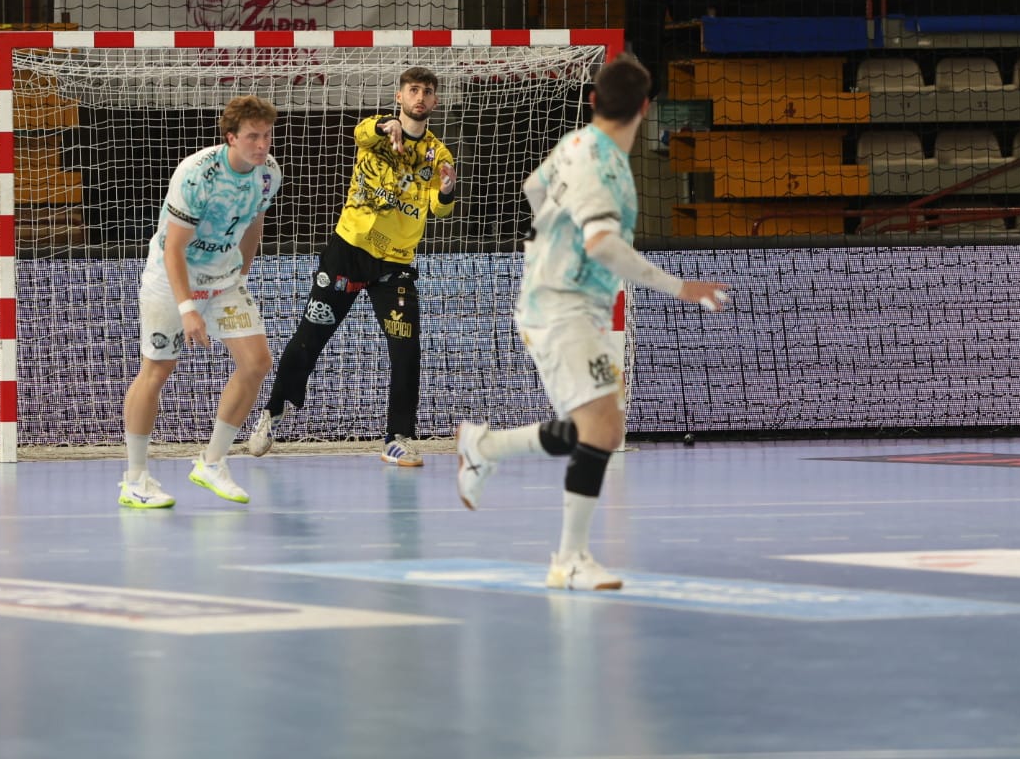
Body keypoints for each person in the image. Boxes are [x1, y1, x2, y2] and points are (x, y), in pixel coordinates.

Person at [454, 54, 730, 590]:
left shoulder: (573, 145)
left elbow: (535, 191)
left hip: (568, 302)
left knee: (597, 429)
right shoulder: (603, 164)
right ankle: (569, 559)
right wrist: (680, 287)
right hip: (561, 306)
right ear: (646, 108)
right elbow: (602, 243)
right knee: (603, 429)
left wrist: (549, 242)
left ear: (592, 101)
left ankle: (482, 447)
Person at [246, 66, 456, 467]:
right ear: (399, 96)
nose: (421, 97)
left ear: (435, 101)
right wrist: (385, 127)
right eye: (413, 90)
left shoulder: (438, 154)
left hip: (394, 263)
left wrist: (447, 190)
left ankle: (397, 437)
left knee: (406, 350)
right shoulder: (375, 131)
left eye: (428, 92)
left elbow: (439, 210)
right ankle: (273, 412)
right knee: (310, 337)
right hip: (348, 250)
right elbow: (362, 132)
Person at [118, 95, 282, 510]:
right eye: (252, 137)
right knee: (157, 370)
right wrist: (188, 308)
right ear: (231, 137)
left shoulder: (268, 175)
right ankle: (134, 479)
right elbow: (174, 248)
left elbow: (253, 224)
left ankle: (211, 463)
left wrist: (240, 277)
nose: (261, 145)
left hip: (223, 278)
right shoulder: (198, 174)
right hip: (173, 277)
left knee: (257, 362)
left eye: (266, 136)